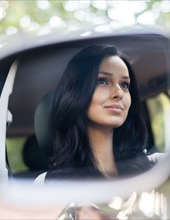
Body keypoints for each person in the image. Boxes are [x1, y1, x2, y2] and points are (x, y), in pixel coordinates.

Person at [35, 45, 154, 184]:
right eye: (102, 81)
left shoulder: (159, 166)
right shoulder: (49, 184)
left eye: (124, 85)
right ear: (76, 93)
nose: (119, 93)